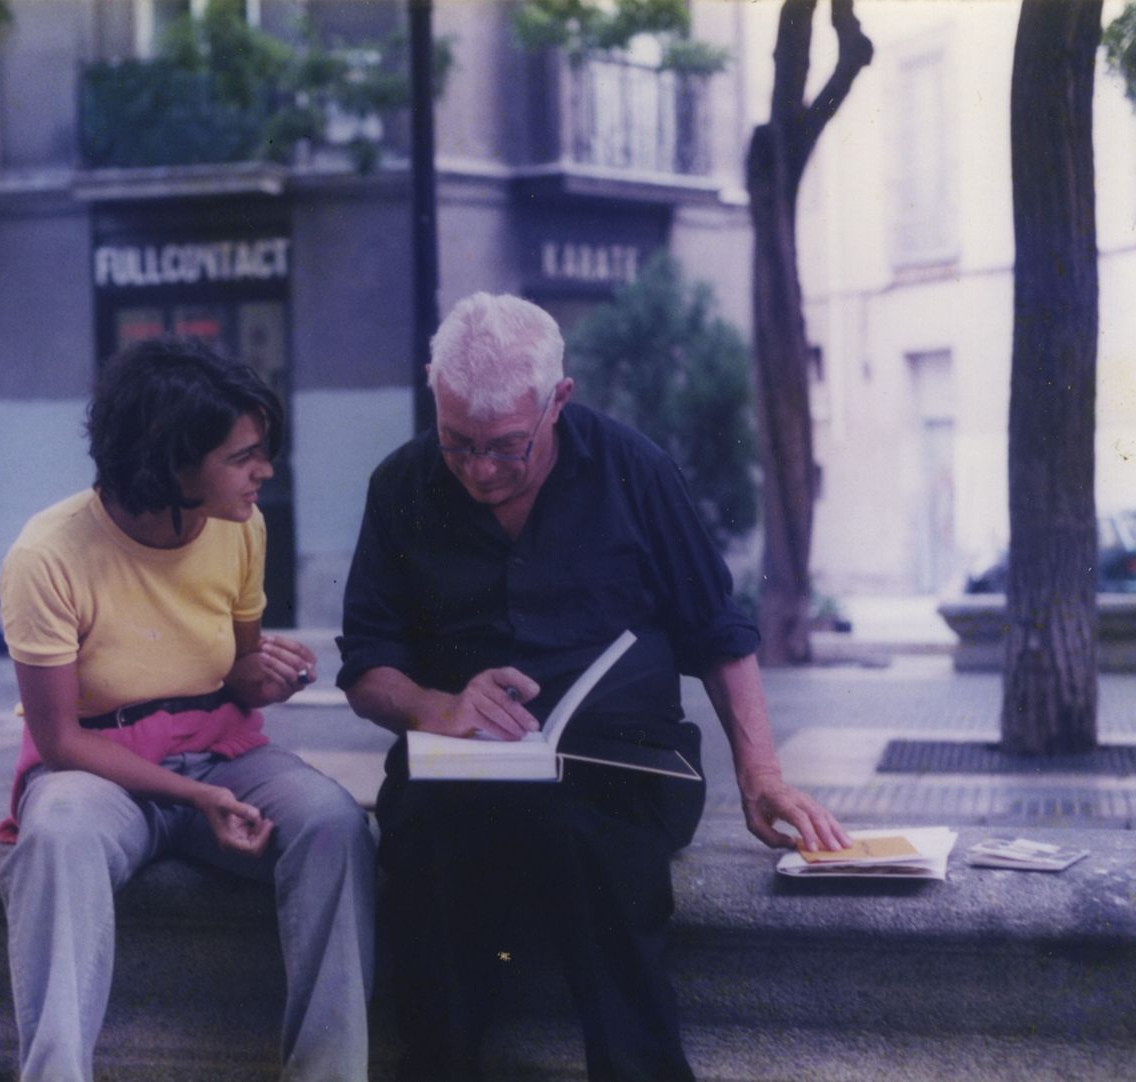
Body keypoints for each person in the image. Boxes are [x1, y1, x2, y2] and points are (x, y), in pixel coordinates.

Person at [337, 293, 851, 1082]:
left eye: (507, 446)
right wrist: (435, 706)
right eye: (458, 443)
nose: (480, 470)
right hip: (461, 771)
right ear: (434, 397)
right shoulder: (401, 484)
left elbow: (719, 630)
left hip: (623, 767)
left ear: (559, 401)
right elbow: (368, 664)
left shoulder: (632, 469)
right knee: (426, 856)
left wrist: (763, 776)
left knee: (595, 847)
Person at [0, 336, 376, 1082]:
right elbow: (60, 740)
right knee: (57, 837)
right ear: (170, 459)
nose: (265, 471)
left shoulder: (242, 528)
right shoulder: (46, 556)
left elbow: (235, 675)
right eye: (242, 457)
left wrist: (266, 677)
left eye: (264, 450)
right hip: (98, 769)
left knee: (335, 823)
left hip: (223, 754)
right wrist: (193, 795)